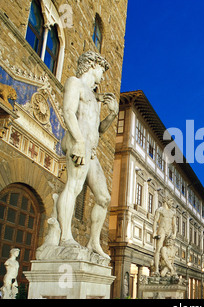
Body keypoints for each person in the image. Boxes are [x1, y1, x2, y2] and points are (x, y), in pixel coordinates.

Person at [56, 51, 119, 259]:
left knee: (103, 197)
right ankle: (65, 237)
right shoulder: (75, 83)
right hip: (78, 143)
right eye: (102, 69)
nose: (103, 75)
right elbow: (67, 112)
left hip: (91, 150)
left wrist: (111, 115)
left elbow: (99, 129)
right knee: (73, 186)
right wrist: (79, 142)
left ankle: (93, 242)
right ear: (92, 65)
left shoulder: (94, 97)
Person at [153, 196, 177, 276]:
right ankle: (156, 269)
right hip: (162, 229)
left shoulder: (172, 212)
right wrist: (154, 232)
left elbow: (174, 225)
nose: (172, 203)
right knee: (158, 249)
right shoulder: (160, 210)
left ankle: (168, 269)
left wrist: (174, 233)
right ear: (166, 200)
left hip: (169, 231)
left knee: (170, 250)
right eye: (171, 201)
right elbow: (155, 221)